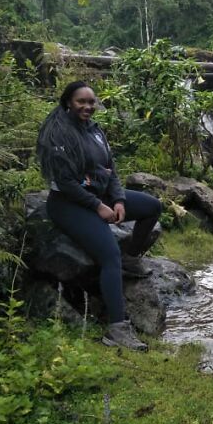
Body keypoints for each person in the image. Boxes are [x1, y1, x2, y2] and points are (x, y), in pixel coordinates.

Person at [36, 80, 162, 351]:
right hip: (69, 203)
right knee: (108, 254)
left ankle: (131, 257)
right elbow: (66, 183)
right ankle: (116, 329)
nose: (88, 107)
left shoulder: (94, 129)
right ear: (68, 102)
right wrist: (97, 206)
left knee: (152, 207)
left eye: (91, 102)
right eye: (81, 101)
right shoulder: (58, 133)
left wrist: (117, 199)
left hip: (100, 195)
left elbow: (110, 168)